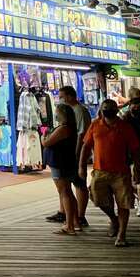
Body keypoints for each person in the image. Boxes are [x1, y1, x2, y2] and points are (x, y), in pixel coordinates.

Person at [79, 99, 140, 247]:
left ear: (116, 110)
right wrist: (81, 166)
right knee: (97, 198)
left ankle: (122, 234)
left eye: (111, 107)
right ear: (101, 109)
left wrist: (137, 170)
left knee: (123, 204)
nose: (108, 110)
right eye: (106, 107)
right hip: (100, 171)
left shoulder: (124, 127)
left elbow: (135, 150)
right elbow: (86, 146)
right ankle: (114, 219)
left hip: (121, 172)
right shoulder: (95, 125)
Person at [46, 86, 91, 229]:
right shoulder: (70, 117)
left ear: (70, 96)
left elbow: (81, 135)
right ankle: (69, 215)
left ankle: (78, 217)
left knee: (73, 186)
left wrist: (78, 154)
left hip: (74, 155)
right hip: (70, 156)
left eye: (62, 96)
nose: (61, 99)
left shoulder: (79, 111)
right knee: (68, 189)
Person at [41, 103, 78, 235]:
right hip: (64, 162)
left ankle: (69, 225)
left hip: (59, 163)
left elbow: (47, 142)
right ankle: (74, 222)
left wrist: (43, 135)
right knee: (67, 192)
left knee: (64, 192)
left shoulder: (63, 128)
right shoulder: (69, 128)